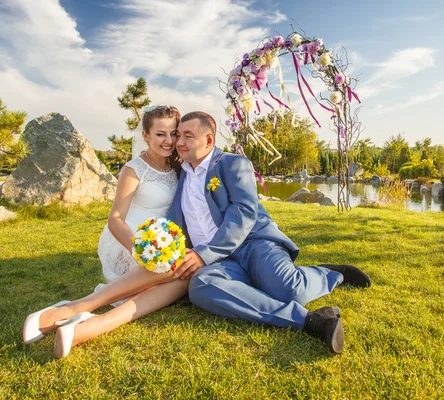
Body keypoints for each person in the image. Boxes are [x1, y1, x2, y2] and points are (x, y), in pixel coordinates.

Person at [167, 111, 371, 354]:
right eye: (178, 135)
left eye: (188, 136)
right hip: (220, 261)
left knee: (289, 290)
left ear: (209, 140)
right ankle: (312, 321)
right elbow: (175, 221)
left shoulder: (233, 163)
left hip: (253, 244)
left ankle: (329, 273)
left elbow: (244, 212)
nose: (179, 142)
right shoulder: (181, 174)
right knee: (201, 284)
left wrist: (205, 254)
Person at [22, 106, 197, 358]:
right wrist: (138, 249)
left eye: (173, 134)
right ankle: (71, 309)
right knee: (177, 273)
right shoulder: (134, 169)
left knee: (183, 276)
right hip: (131, 240)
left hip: (162, 242)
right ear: (146, 135)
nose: (168, 141)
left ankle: (88, 324)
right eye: (160, 134)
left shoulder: (178, 167)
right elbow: (115, 219)